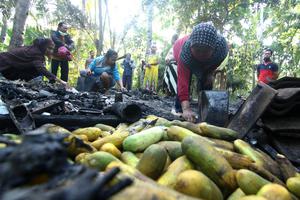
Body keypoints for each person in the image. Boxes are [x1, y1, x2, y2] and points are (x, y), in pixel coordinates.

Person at [173, 22, 229, 122]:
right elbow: (183, 81)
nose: (201, 54)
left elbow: (214, 64)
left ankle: (204, 109)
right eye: (197, 50)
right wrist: (186, 109)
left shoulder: (220, 50)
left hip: (209, 60)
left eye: (205, 51)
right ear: (191, 47)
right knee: (186, 79)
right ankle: (179, 108)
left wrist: (209, 73)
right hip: (178, 49)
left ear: (213, 49)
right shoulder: (185, 54)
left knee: (206, 80)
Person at [0, 37, 68, 87]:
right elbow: (41, 69)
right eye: (49, 48)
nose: (51, 51)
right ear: (43, 46)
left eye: (52, 49)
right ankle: (30, 84)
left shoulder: (35, 49)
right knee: (38, 71)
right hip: (5, 67)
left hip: (8, 66)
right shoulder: (36, 53)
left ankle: (29, 83)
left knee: (37, 70)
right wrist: (61, 81)